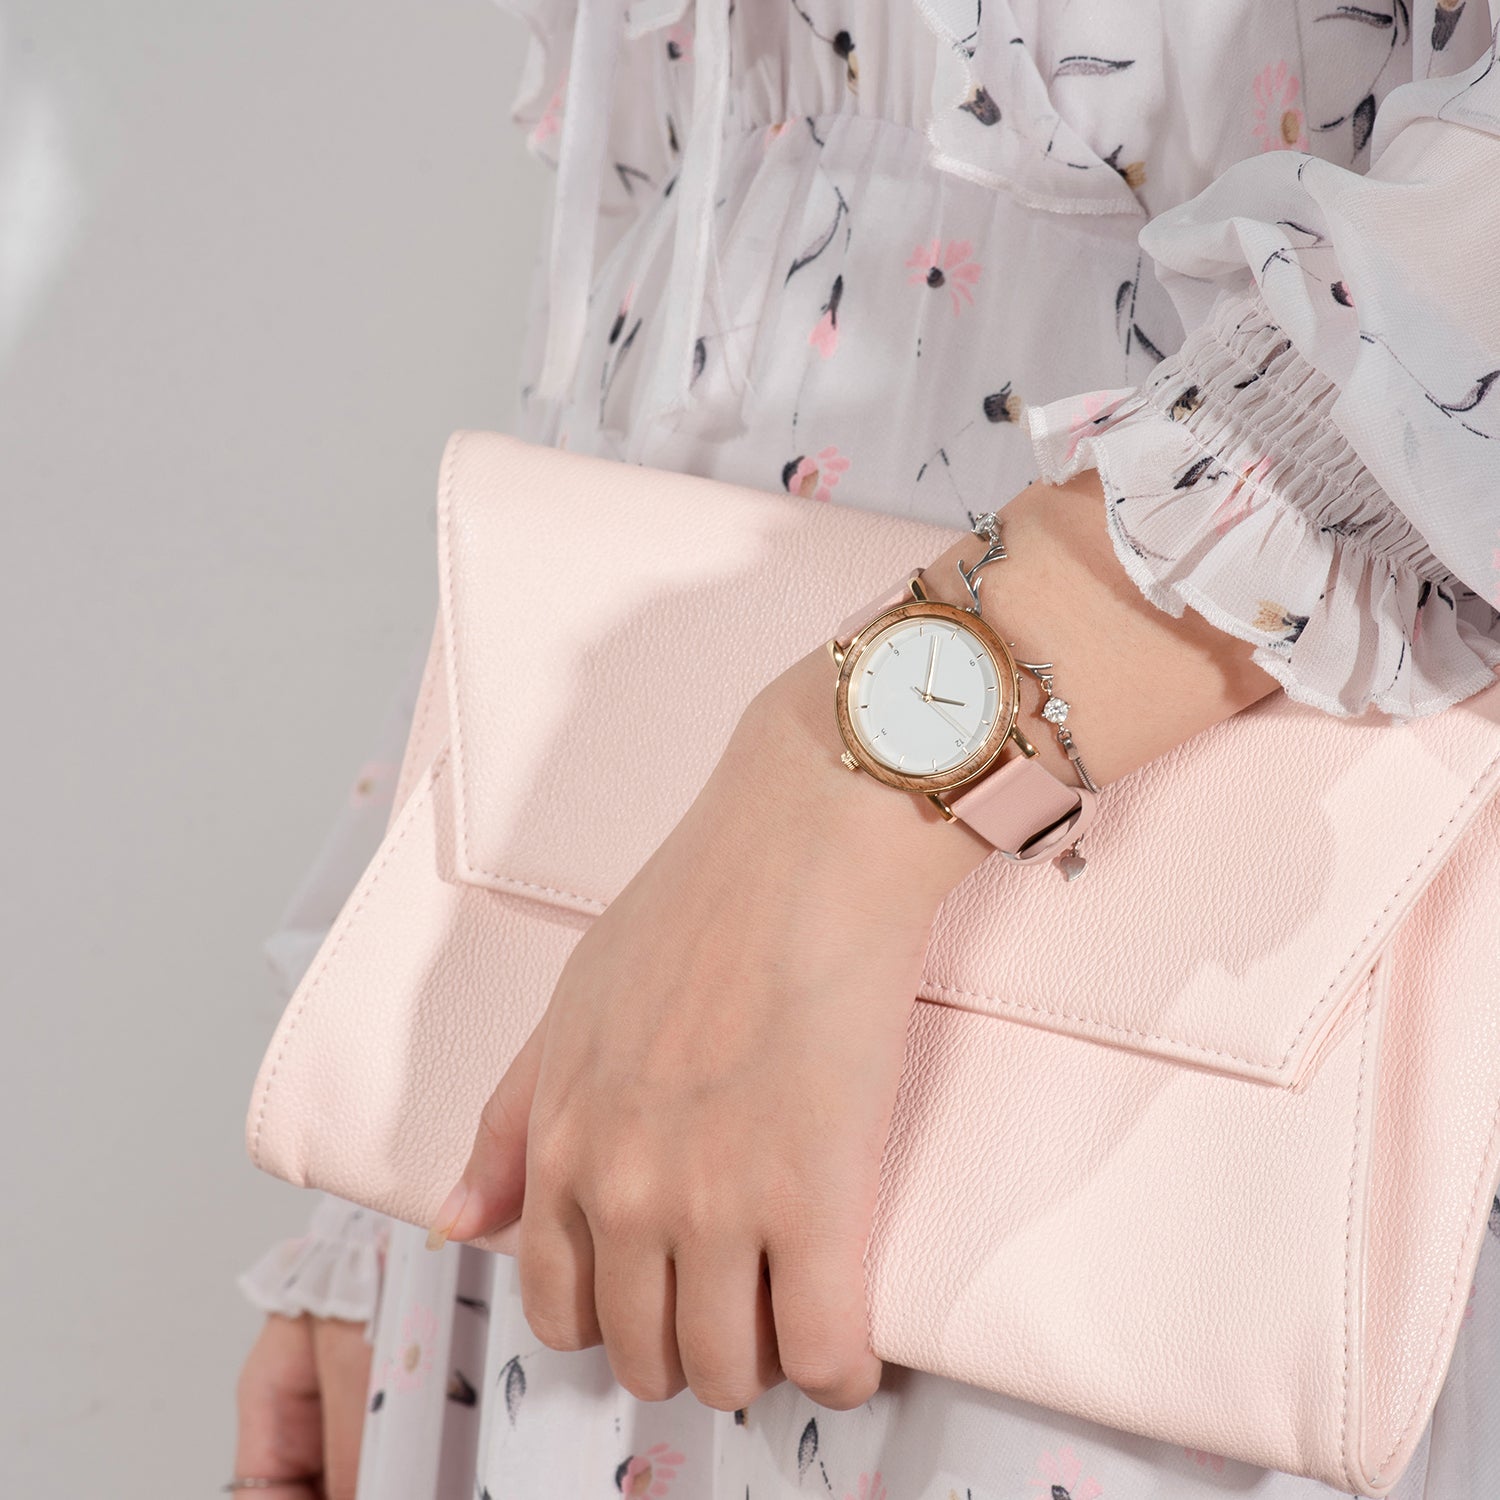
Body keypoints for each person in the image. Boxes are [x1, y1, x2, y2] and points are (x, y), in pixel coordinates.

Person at [233, 2, 1500, 1496]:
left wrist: (850, 790)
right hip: (605, 1046)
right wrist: (384, 1168)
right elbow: (650, 318)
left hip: (1194, 1086)